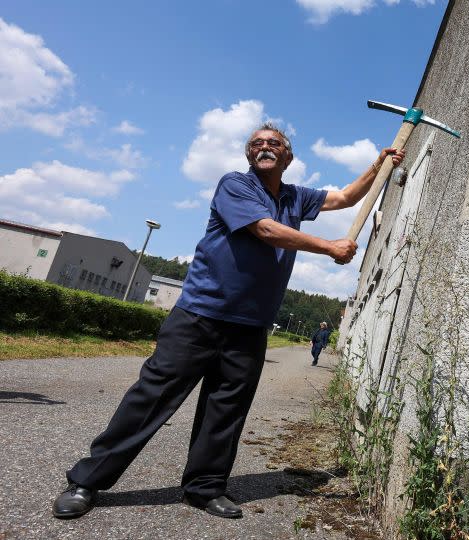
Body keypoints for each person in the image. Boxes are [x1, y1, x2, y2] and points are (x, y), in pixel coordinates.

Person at [52, 123, 404, 520]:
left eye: (273, 143)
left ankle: (204, 488)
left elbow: (343, 197)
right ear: (249, 155)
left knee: (227, 409)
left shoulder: (294, 196)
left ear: (287, 156)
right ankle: (87, 481)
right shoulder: (236, 185)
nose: (264, 147)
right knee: (149, 399)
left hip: (251, 325)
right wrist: (328, 247)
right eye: (256, 143)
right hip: (201, 315)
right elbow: (265, 230)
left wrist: (377, 167)